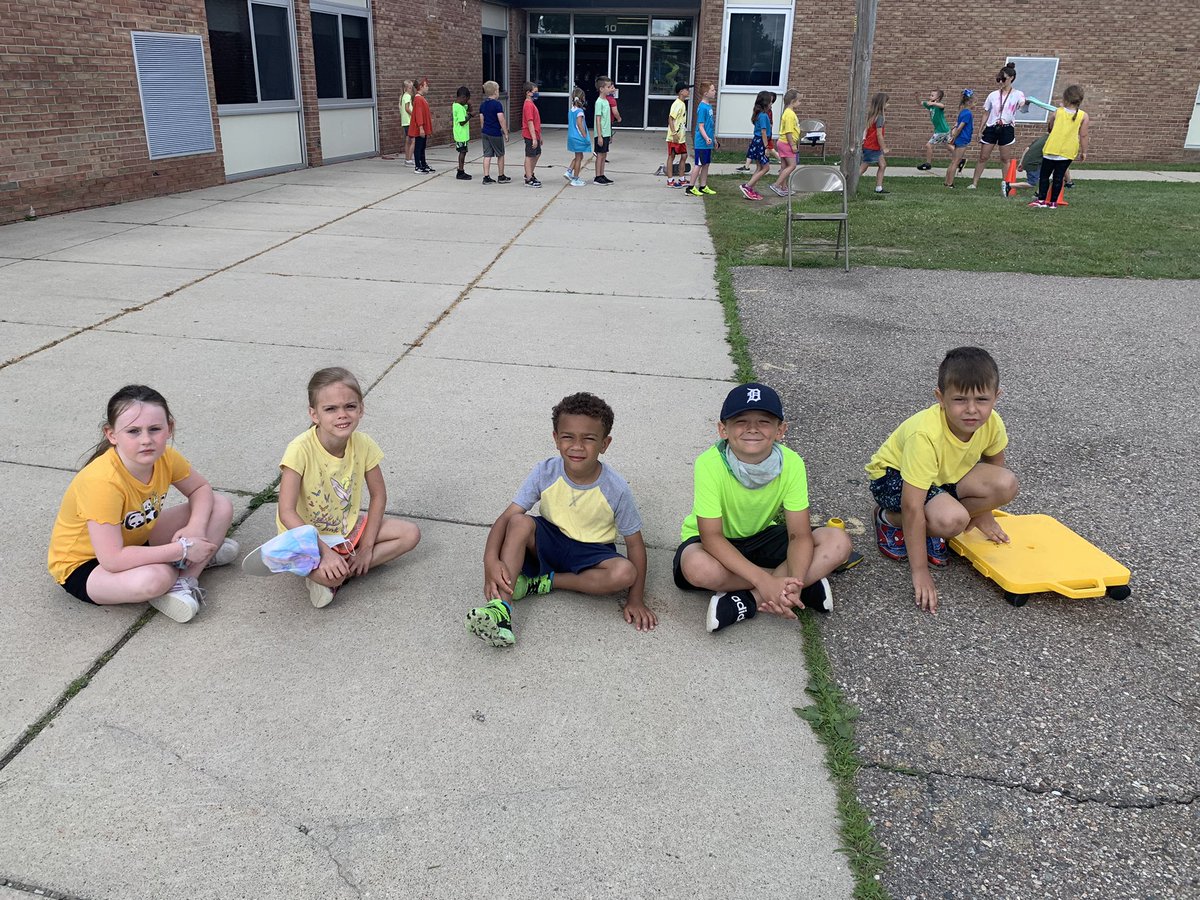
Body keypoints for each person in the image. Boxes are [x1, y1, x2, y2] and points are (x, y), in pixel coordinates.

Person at [466, 392, 654, 647]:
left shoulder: (616, 488)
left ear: (605, 444)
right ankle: (501, 609)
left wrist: (636, 599)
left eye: (589, 439)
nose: (577, 446)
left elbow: (634, 544)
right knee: (519, 522)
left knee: (624, 573)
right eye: (568, 437)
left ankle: (541, 583)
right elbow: (507, 516)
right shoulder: (545, 471)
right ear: (556, 439)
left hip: (592, 552)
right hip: (549, 539)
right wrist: (490, 560)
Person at [47, 385, 237, 623]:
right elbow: (112, 559)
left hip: (133, 536)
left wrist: (196, 528)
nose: (146, 440)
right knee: (156, 579)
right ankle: (185, 562)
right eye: (133, 431)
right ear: (112, 434)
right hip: (86, 565)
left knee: (219, 505)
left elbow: (200, 489)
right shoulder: (102, 482)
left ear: (169, 428)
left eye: (154, 429)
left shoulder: (166, 457)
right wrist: (184, 548)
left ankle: (186, 581)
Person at [673, 383, 852, 633]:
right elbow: (711, 537)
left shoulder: (792, 463)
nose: (753, 428)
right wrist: (764, 579)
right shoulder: (708, 464)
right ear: (723, 429)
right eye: (741, 421)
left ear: (781, 430)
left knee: (837, 541)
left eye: (764, 421)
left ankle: (750, 600)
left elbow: (798, 534)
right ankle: (802, 585)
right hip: (713, 541)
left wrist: (793, 581)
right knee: (696, 568)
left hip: (761, 535)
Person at [866, 347, 1019, 615]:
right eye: (960, 400)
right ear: (940, 398)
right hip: (892, 478)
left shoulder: (992, 422)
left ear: (997, 397)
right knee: (953, 521)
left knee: (1006, 483)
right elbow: (912, 505)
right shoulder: (925, 435)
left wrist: (984, 514)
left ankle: (936, 520)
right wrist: (920, 571)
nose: (972, 410)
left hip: (941, 478)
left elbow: (995, 464)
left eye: (982, 399)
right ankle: (887, 519)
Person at [276, 367, 421, 608]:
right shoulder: (299, 450)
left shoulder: (363, 444)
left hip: (344, 529)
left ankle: (338, 572)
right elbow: (286, 512)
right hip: (304, 535)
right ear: (314, 414)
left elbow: (378, 495)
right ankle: (325, 572)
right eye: (330, 409)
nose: (342, 415)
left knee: (410, 534)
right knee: (330, 573)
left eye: (349, 406)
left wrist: (366, 548)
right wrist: (324, 552)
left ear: (361, 409)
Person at [970, 62, 1029, 190]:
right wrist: (980, 130)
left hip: (1007, 128)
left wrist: (1026, 103)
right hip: (992, 127)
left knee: (1004, 158)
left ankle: (1006, 185)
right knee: (983, 156)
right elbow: (986, 113)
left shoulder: (1018, 94)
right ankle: (974, 183)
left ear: (1011, 78)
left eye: (1004, 79)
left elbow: (1023, 109)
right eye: (999, 79)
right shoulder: (993, 95)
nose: (1001, 81)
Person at [1030, 84, 1088, 209]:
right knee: (1059, 177)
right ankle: (1053, 202)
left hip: (1052, 148)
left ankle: (1041, 200)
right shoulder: (1083, 116)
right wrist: (1084, 152)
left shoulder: (1058, 112)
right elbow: (1083, 135)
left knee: (1044, 176)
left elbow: (1050, 127)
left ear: (1065, 98)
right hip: (1068, 150)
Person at [685, 82, 717, 197]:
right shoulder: (702, 107)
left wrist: (713, 138)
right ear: (706, 93)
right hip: (701, 142)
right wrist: (706, 138)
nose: (715, 92)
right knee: (698, 164)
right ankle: (690, 187)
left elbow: (710, 125)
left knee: (706, 164)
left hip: (708, 142)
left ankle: (703, 186)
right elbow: (701, 126)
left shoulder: (709, 106)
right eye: (712, 90)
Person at [739, 91, 773, 201]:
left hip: (757, 142)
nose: (771, 104)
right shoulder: (763, 116)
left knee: (759, 167)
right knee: (766, 168)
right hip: (761, 143)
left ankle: (750, 189)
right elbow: (764, 132)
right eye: (770, 102)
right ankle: (747, 186)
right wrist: (767, 147)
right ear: (765, 103)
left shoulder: (759, 115)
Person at [769, 88, 801, 197]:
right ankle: (777, 185)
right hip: (787, 143)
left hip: (782, 142)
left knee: (784, 166)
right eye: (798, 101)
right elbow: (788, 131)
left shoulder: (788, 112)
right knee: (792, 165)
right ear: (793, 101)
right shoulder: (789, 114)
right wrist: (793, 145)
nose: (799, 103)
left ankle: (784, 187)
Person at [479, 80, 509, 185]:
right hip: (495, 132)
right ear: (495, 92)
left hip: (485, 132)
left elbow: (481, 120)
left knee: (487, 155)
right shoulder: (497, 105)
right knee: (500, 154)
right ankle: (501, 176)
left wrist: (483, 129)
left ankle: (486, 177)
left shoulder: (483, 105)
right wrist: (505, 132)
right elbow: (501, 119)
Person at [943, 89, 974, 188]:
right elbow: (960, 127)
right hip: (962, 139)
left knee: (953, 161)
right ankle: (950, 184)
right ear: (969, 102)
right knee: (956, 162)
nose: (975, 105)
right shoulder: (968, 113)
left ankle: (946, 182)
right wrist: (953, 137)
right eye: (974, 102)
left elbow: (956, 125)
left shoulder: (962, 112)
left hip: (960, 138)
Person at [860, 91, 889, 194]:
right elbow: (879, 135)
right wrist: (884, 147)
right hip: (872, 147)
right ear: (882, 104)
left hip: (874, 147)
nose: (888, 105)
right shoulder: (880, 117)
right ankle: (846, 186)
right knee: (863, 168)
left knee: (882, 165)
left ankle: (879, 187)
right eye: (886, 103)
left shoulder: (873, 115)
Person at [918, 89, 952, 170]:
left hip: (941, 130)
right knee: (948, 145)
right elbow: (920, 103)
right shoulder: (930, 106)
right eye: (930, 95)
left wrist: (933, 103)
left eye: (932, 95)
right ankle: (961, 160)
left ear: (937, 98)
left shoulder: (938, 106)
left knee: (928, 145)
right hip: (945, 130)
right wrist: (917, 97)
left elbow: (943, 106)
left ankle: (928, 164)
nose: (930, 96)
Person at [665, 82, 691, 187]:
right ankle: (670, 180)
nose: (688, 91)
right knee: (671, 156)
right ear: (681, 92)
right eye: (686, 89)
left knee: (684, 155)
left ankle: (682, 178)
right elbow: (670, 118)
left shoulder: (683, 104)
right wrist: (674, 133)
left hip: (681, 137)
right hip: (674, 137)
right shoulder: (677, 104)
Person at [565, 87, 591, 187]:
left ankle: (569, 171)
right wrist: (585, 136)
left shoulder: (571, 110)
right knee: (579, 158)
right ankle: (575, 178)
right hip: (578, 137)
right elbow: (579, 124)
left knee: (578, 156)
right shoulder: (579, 111)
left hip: (571, 136)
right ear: (582, 98)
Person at [408, 76, 434, 174]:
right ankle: (418, 166)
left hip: (423, 128)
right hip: (419, 129)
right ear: (421, 87)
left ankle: (423, 164)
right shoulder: (418, 99)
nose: (428, 87)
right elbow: (419, 114)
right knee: (419, 147)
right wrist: (421, 127)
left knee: (422, 147)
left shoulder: (421, 98)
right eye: (426, 86)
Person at [521, 81, 543, 188]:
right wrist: (534, 138)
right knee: (529, 156)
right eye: (535, 92)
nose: (537, 94)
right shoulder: (528, 105)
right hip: (530, 135)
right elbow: (530, 122)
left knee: (537, 153)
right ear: (528, 92)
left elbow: (536, 122)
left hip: (536, 134)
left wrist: (539, 136)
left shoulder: (532, 104)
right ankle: (529, 179)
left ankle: (529, 173)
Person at [593, 77, 615, 185]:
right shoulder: (599, 102)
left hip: (606, 132)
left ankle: (602, 174)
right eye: (608, 87)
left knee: (604, 154)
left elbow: (607, 119)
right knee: (600, 155)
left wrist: (609, 133)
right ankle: (597, 176)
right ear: (602, 89)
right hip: (601, 133)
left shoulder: (606, 101)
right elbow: (598, 119)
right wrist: (600, 135)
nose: (610, 89)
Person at [452, 86, 472, 181]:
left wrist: (468, 104)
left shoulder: (456, 105)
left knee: (463, 151)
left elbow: (467, 107)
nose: (467, 101)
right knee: (462, 152)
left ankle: (461, 170)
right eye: (466, 99)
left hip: (461, 134)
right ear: (463, 97)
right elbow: (462, 122)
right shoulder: (459, 108)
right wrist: (470, 116)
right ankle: (460, 171)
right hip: (461, 134)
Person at [399, 79, 415, 167]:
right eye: (409, 88)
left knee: (407, 140)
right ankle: (409, 159)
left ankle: (407, 159)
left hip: (405, 122)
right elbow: (407, 108)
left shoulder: (402, 97)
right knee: (413, 140)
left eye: (411, 88)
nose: (411, 90)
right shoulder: (408, 96)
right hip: (409, 121)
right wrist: (414, 115)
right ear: (405, 88)